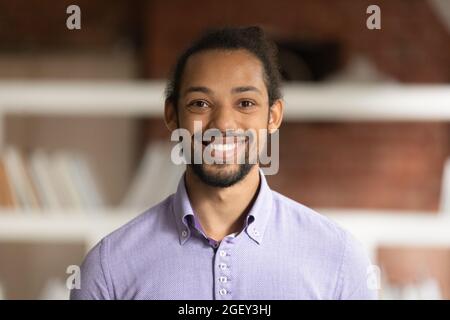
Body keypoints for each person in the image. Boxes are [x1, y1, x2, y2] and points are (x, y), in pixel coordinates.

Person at [70, 26, 377, 300]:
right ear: (172, 115)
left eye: (245, 103)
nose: (223, 123)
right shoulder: (109, 267)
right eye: (200, 104)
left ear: (273, 116)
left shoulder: (339, 260)